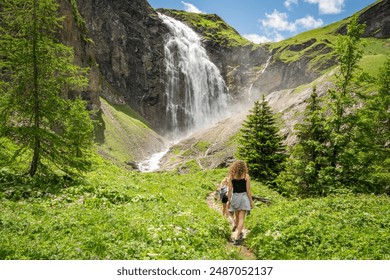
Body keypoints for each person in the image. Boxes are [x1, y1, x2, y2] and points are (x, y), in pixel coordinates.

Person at [227, 160, 254, 245]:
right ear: (244, 167)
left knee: (237, 216)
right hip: (244, 197)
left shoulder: (231, 176)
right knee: (242, 218)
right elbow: (248, 190)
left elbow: (230, 190)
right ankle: (237, 237)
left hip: (235, 197)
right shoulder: (246, 176)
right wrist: (251, 201)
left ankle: (237, 232)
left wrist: (228, 201)